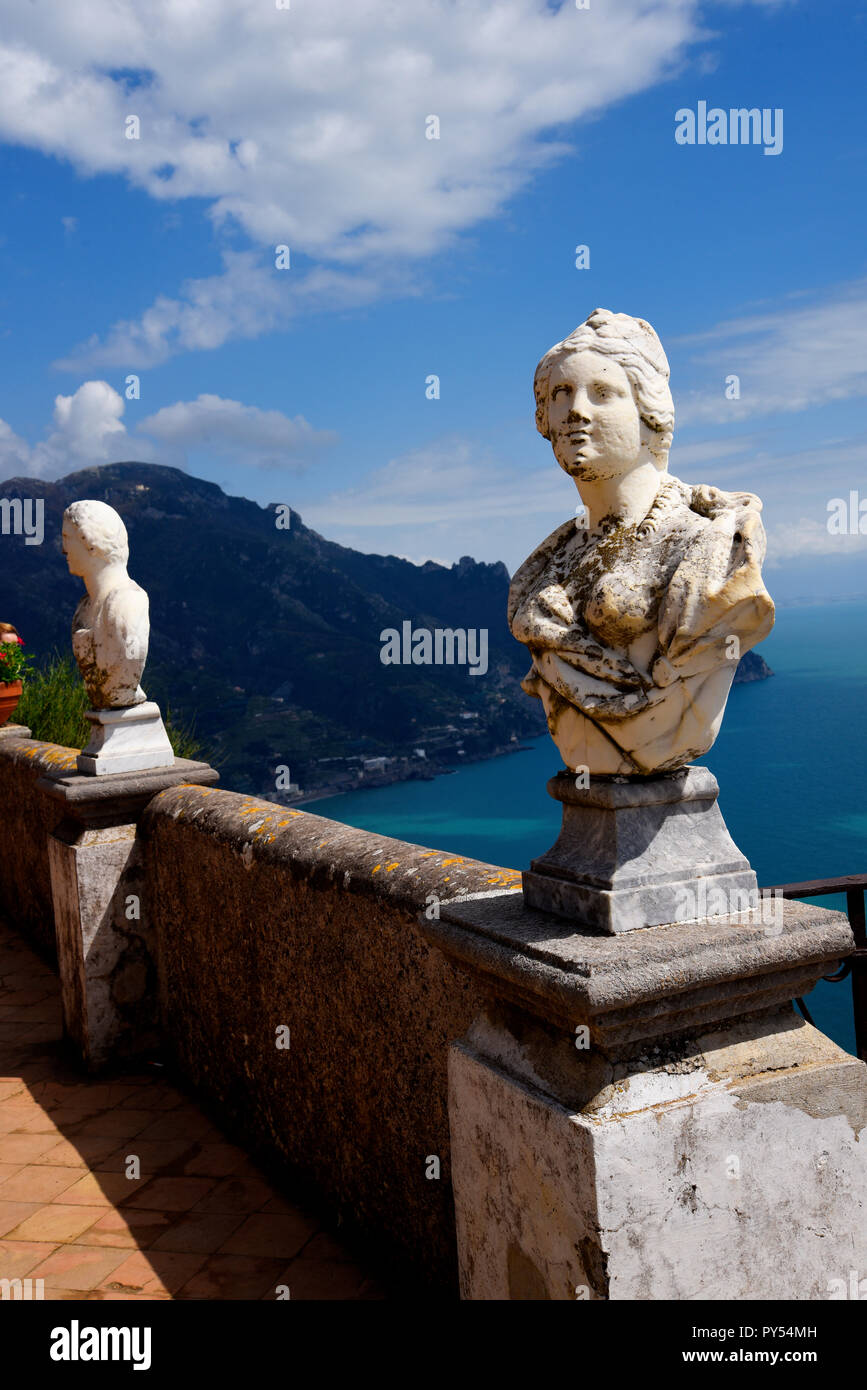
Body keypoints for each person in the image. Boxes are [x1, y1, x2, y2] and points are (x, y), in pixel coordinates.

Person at [508, 308, 774, 775]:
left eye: (603, 393)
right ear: (544, 418)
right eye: (561, 394)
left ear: (648, 412)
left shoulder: (708, 544)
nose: (576, 411)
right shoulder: (549, 564)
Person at [62, 500, 150, 709]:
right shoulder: (85, 606)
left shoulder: (126, 602)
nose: (63, 549)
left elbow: (122, 675)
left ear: (90, 541)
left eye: (67, 538)